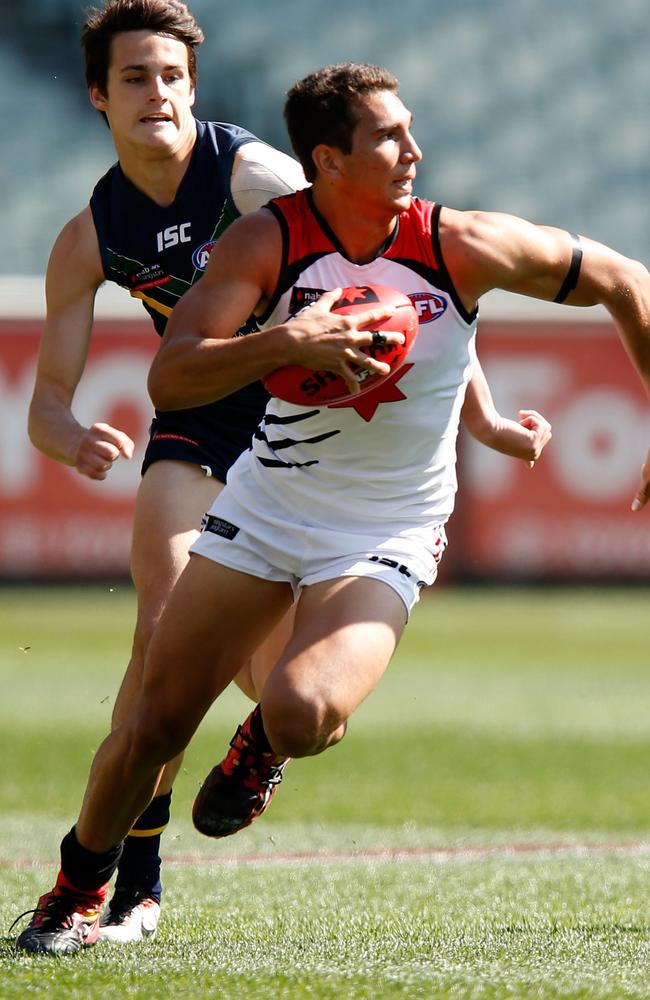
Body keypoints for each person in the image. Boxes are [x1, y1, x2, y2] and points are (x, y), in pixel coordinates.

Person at [14, 60, 578, 957]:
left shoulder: (262, 182)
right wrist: (67, 435)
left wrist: (483, 415)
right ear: (97, 97)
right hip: (211, 419)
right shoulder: (94, 232)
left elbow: (409, 294)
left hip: (308, 432)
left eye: (172, 75)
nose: (156, 93)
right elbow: (52, 396)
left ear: (195, 87)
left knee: (301, 705)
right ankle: (117, 890)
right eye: (133, 78)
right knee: (161, 654)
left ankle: (262, 747)